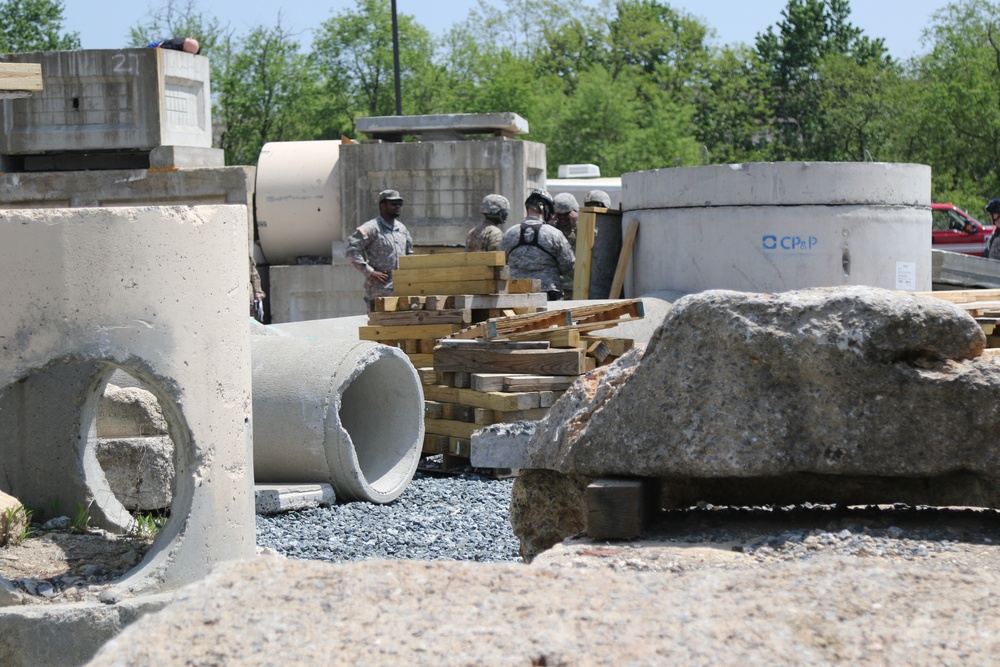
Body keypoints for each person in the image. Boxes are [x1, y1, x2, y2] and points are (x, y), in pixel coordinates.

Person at [501, 189, 574, 301]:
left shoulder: (509, 233)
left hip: (514, 293)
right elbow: (568, 264)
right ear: (546, 209)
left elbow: (501, 262)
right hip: (547, 294)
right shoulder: (554, 234)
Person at [345, 189, 414, 304]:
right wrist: (370, 272)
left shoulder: (402, 229)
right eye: (393, 203)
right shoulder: (371, 228)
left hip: (402, 292)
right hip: (379, 293)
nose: (397, 206)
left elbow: (410, 257)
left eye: (399, 204)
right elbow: (351, 251)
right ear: (382, 205)